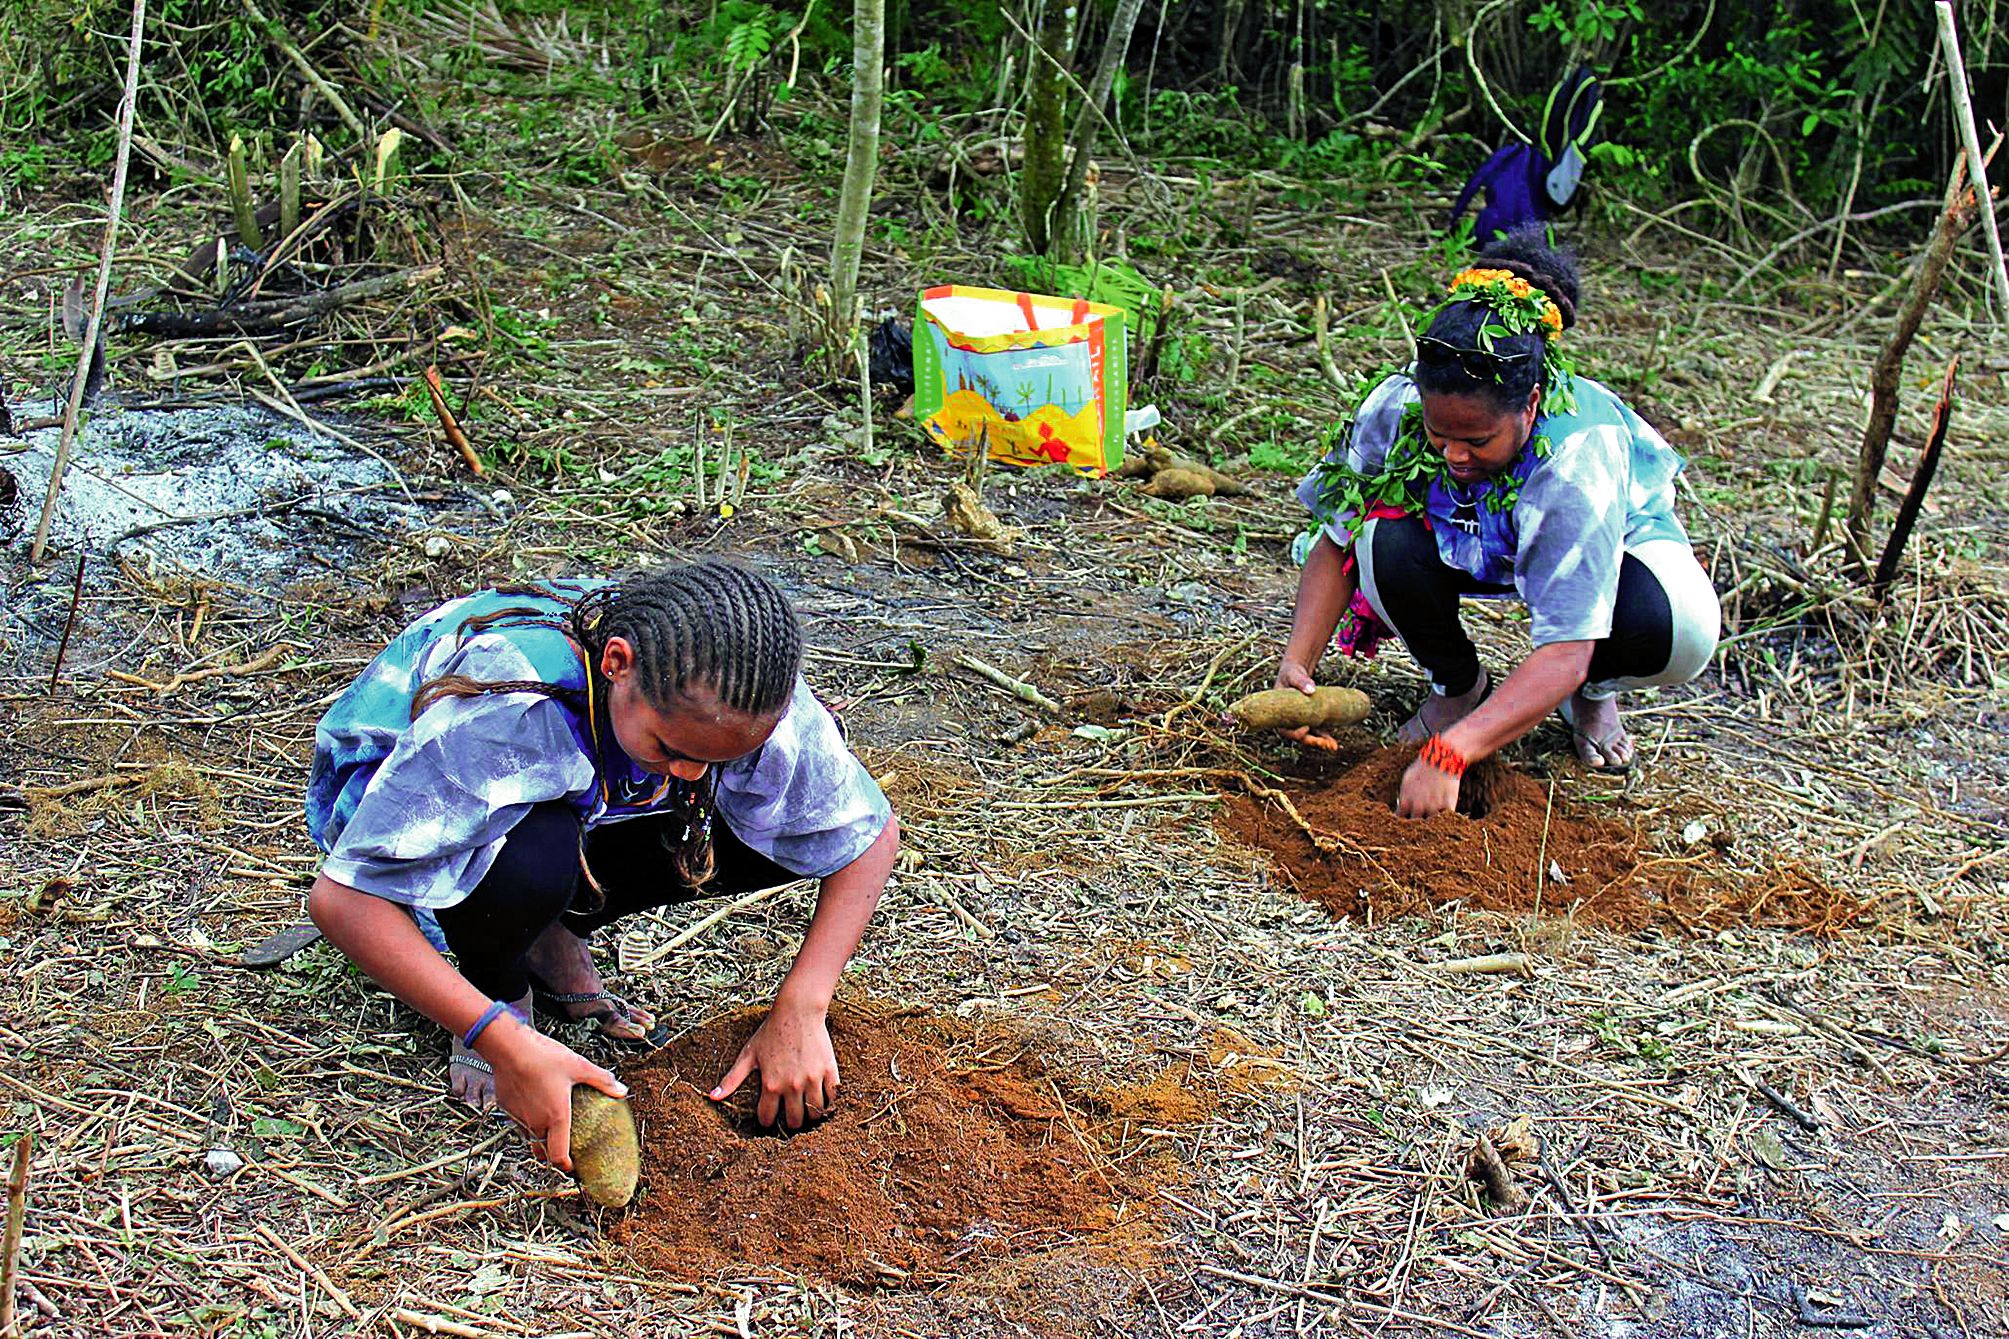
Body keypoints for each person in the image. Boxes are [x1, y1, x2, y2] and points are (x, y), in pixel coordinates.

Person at [302, 561, 898, 1169]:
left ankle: (554, 935)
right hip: (425, 806)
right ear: (616, 664)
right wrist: (499, 1039)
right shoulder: (508, 706)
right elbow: (345, 897)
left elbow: (867, 837)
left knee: (766, 815)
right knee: (533, 861)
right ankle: (498, 984)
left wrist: (802, 1007)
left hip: (595, 789)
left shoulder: (746, 700)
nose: (694, 772)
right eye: (673, 749)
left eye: (717, 758)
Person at [1275, 230, 1718, 818]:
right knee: (1378, 539)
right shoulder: (1396, 408)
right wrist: (1298, 664)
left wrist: (1451, 756)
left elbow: (1566, 644)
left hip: (1608, 560)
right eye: (1441, 435)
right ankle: (1458, 688)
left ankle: (1591, 694)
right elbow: (1335, 542)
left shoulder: (1575, 459)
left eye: (1478, 439)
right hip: (1461, 536)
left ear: (1530, 405)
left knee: (1680, 628)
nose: (1455, 454)